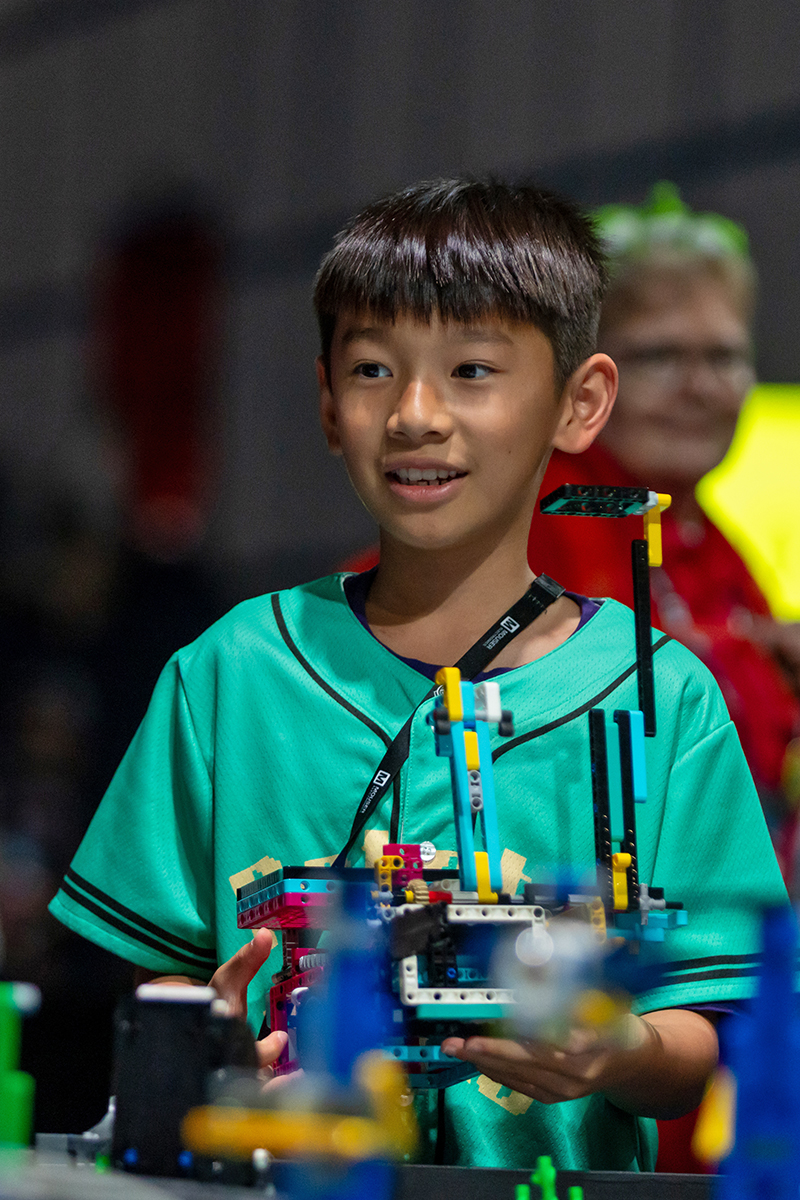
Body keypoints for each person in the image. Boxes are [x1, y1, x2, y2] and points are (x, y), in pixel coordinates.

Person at [49, 179, 786, 1171]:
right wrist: (203, 1052)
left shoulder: (665, 694)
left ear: (580, 403)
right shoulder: (226, 674)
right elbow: (154, 986)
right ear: (326, 402)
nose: (414, 414)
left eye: (472, 370)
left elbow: (705, 1032)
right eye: (371, 370)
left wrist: (619, 1052)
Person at [527, 184, 800, 882]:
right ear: (584, 380)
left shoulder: (711, 543)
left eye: (724, 357)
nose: (700, 387)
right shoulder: (529, 517)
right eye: (659, 357)